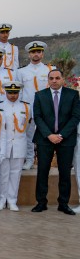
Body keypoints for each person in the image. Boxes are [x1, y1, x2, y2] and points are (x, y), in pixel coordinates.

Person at [32, 69, 80, 215]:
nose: (54, 80)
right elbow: (38, 117)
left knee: (65, 172)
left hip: (66, 139)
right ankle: (41, 202)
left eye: (57, 78)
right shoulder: (40, 95)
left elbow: (75, 116)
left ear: (62, 79)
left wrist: (61, 135)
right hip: (45, 139)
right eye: (51, 78)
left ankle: (63, 204)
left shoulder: (72, 95)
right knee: (42, 171)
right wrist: (49, 135)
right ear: (48, 80)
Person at [16, 41, 53, 169]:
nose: (36, 54)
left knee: (47, 134)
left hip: (46, 108)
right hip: (28, 108)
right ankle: (29, 160)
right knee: (28, 135)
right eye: (33, 52)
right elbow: (19, 92)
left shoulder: (50, 70)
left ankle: (45, 161)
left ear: (42, 54)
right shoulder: (21, 72)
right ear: (29, 54)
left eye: (38, 52)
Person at [0, 81, 30, 211]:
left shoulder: (26, 107)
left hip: (19, 144)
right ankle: (0, 200)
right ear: (5, 92)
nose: (12, 95)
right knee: (3, 174)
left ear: (19, 92)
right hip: (4, 145)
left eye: (15, 92)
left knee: (15, 174)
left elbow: (28, 126)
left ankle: (12, 200)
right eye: (10, 92)